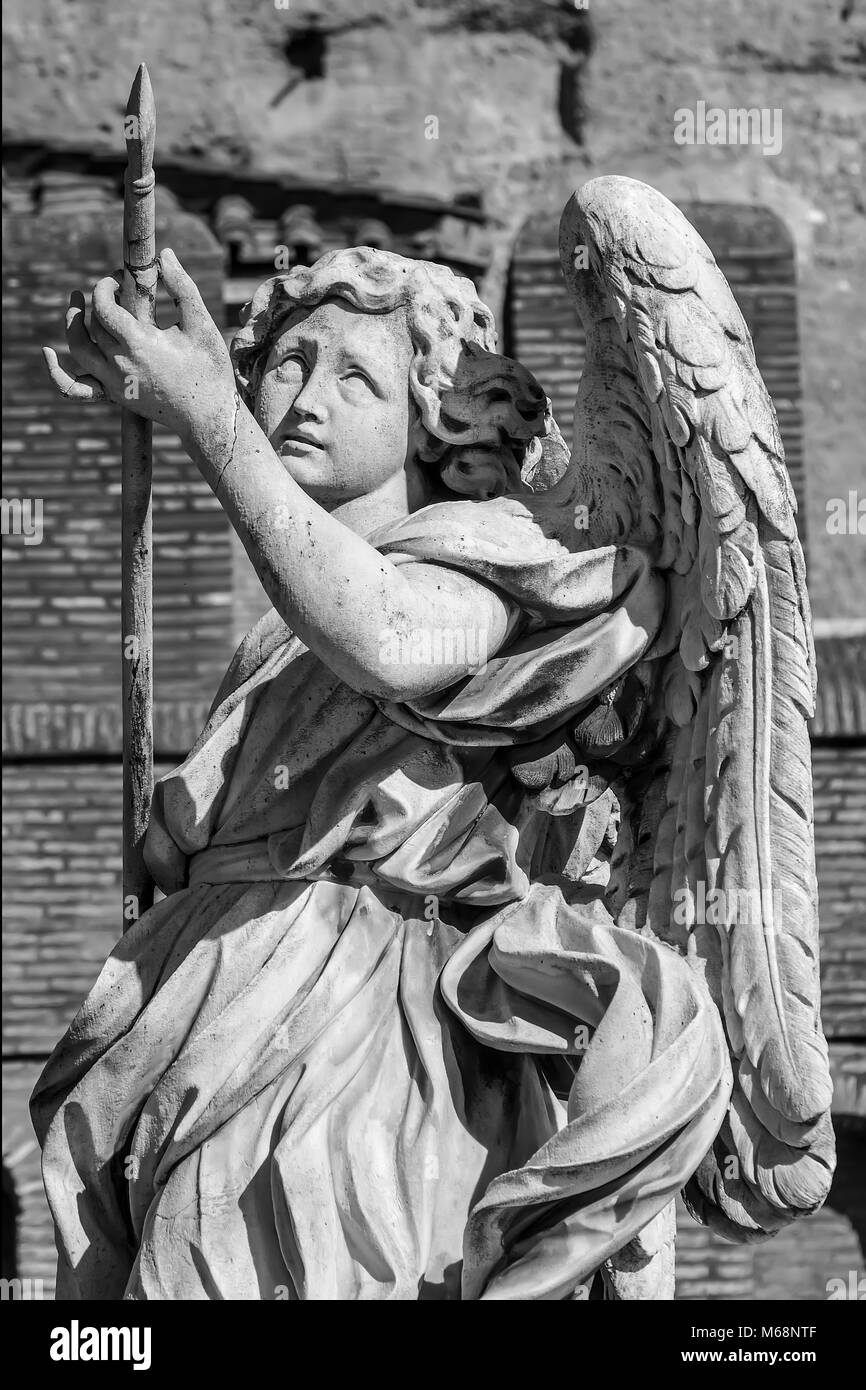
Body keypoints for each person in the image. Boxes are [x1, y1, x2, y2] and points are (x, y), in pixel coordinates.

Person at [31, 245, 729, 1300]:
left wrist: (209, 421)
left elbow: (391, 638)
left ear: (432, 415)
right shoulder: (267, 646)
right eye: (283, 363)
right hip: (211, 1020)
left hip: (358, 1048)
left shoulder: (485, 555)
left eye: (353, 375)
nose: (304, 395)